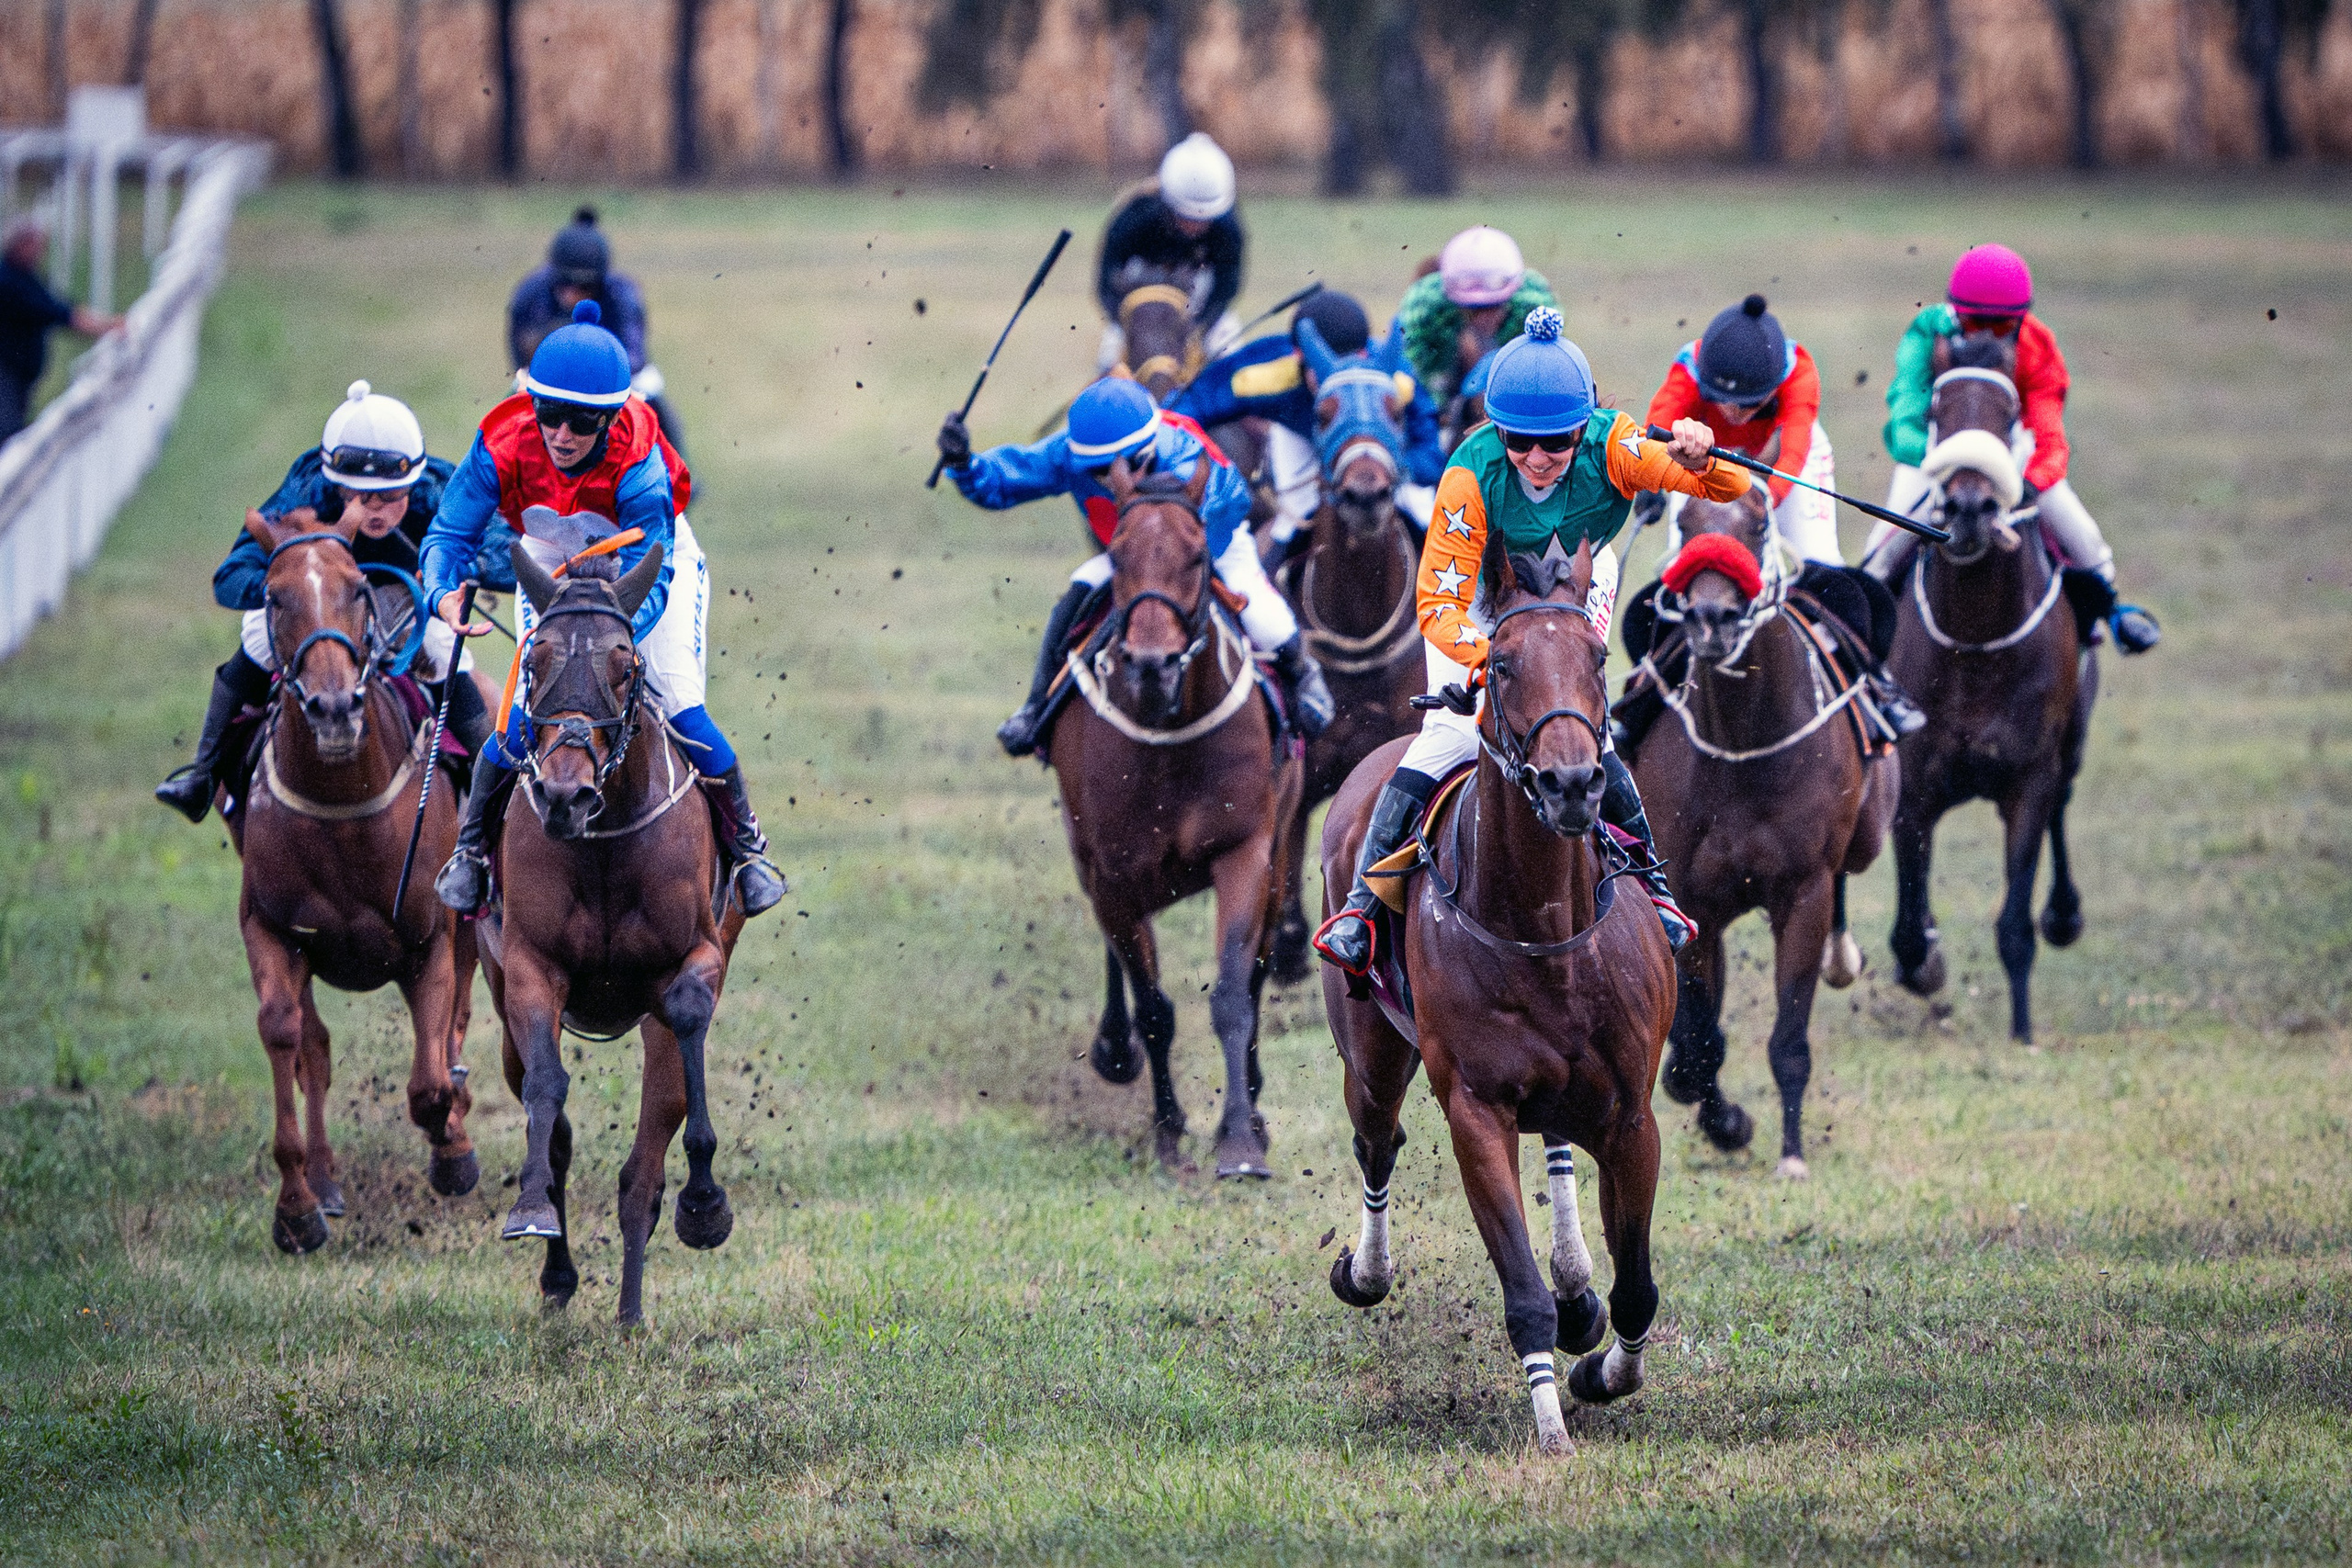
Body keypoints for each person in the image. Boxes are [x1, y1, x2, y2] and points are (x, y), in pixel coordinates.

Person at [1314, 308, 1752, 976]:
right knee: (1455, 736)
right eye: (1519, 441)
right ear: (1496, 430)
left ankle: (1656, 890)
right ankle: (1360, 907)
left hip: (1575, 587)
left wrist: (1703, 452)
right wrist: (1496, 662)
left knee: (1587, 735)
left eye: (1556, 442)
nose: (1538, 459)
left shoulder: (1618, 447)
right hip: (1483, 597)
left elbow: (1731, 486)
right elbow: (1438, 602)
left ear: (1586, 427)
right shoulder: (1470, 475)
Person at [422, 301, 786, 917]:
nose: (561, 434)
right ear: (528, 400)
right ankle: (471, 853)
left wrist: (607, 641)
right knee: (516, 722)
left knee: (679, 705)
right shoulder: (500, 440)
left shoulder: (640, 465)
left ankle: (747, 848)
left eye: (581, 421)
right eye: (549, 414)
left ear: (613, 418)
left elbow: (657, 569)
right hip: (555, 562)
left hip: (644, 570)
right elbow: (447, 537)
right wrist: (442, 591)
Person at [154, 381, 503, 822]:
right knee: (257, 640)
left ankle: (492, 788)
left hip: (407, 600)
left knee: (440, 650)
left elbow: (504, 546)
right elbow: (231, 574)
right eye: (358, 496)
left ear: (413, 481)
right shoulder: (306, 489)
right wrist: (289, 588)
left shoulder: (440, 488)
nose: (375, 509)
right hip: (320, 603)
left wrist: (460, 570)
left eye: (392, 496)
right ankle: (201, 774)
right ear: (333, 485)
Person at [936, 376, 1333, 757]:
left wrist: (1182, 553)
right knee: (1076, 592)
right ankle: (1035, 705)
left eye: (1124, 466)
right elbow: (1009, 479)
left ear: (1147, 449)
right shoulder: (1072, 454)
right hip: (1130, 556)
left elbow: (1236, 501)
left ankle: (1305, 677)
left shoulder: (1186, 453)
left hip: (1213, 545)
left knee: (1267, 621)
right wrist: (963, 464)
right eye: (1098, 472)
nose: (1112, 480)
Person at [1631, 292, 1923, 741]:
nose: (1732, 412)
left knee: (1818, 564)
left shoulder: (1800, 372)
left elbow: (1792, 457)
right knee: (1682, 575)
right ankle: (1644, 699)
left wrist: (1755, 502)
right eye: (1720, 400)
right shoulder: (1687, 367)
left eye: (1748, 405)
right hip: (1701, 462)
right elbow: (1654, 433)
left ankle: (1871, 690)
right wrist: (1650, 481)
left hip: (1781, 463)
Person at [1864, 243, 2158, 653]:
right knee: (1881, 548)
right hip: (1933, 450)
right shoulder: (1926, 333)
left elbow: (2049, 434)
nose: (1985, 334)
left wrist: (2033, 482)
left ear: (2021, 321)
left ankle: (2111, 612)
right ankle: (1860, 638)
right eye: (1971, 321)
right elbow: (1905, 417)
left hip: (2011, 449)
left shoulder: (2038, 345)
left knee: (2084, 536)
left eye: (2001, 327)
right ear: (1953, 312)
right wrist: (1937, 461)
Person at [1169, 291, 1444, 563]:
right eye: (1321, 368)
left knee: (1421, 511)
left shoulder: (1399, 381)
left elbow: (1432, 456)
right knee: (1293, 518)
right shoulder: (1263, 373)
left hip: (1382, 451)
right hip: (1300, 439)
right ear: (1297, 356)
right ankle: (1269, 578)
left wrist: (1398, 468)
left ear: (1364, 353)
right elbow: (1185, 408)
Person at [507, 206, 685, 457]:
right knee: (511, 401)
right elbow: (518, 350)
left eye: (583, 286)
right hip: (549, 374)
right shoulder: (531, 294)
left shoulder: (622, 295)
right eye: (565, 283)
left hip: (610, 376)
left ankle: (674, 462)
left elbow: (634, 356)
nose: (572, 293)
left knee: (651, 391)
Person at [1095, 133, 1246, 373]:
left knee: (1230, 351)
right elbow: (1106, 281)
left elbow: (1227, 287)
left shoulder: (1227, 229)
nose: (1195, 226)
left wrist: (1200, 328)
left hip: (1196, 300)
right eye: (1185, 216)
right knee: (1109, 356)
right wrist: (1126, 323)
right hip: (1137, 298)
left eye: (1204, 219)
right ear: (1169, 204)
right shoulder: (1138, 215)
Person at [1393, 226, 1557, 424]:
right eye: (1473, 308)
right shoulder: (1425, 314)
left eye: (1493, 306)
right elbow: (1418, 372)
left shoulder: (1533, 306)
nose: (1483, 317)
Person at [0, 214, 122, 442]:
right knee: (8, 438)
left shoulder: (24, 276)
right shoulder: (8, 280)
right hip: (6, 376)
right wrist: (108, 327)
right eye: (36, 244)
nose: (40, 251)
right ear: (20, 244)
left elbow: (62, 307)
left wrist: (106, 324)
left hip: (16, 377)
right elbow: (62, 315)